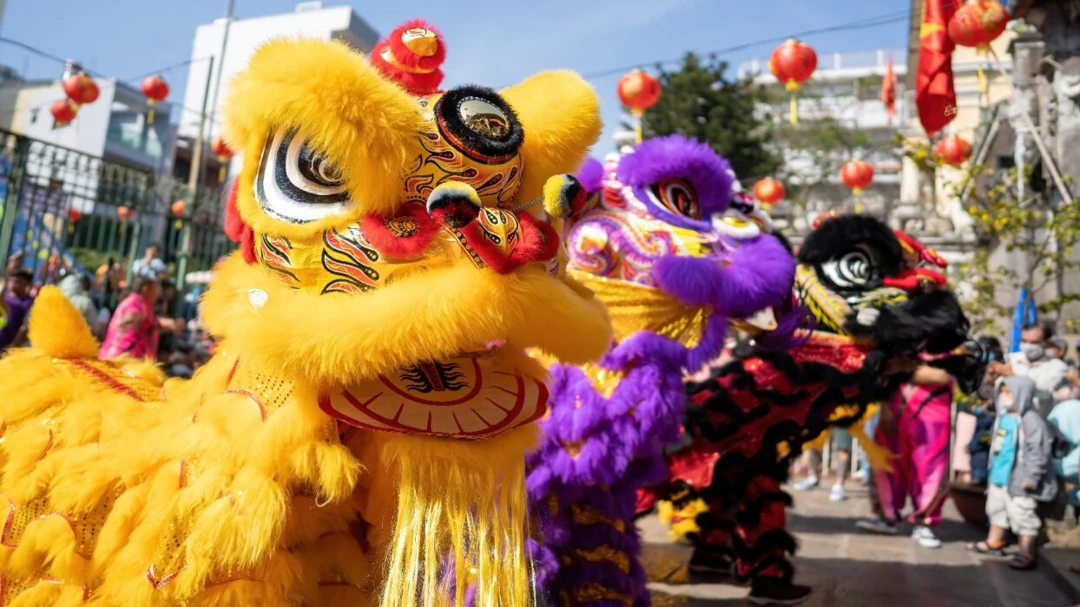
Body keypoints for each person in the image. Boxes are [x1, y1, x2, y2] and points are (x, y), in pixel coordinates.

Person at [856, 364, 954, 548]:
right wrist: (884, 407)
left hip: (933, 415)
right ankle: (885, 517)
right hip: (895, 411)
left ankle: (924, 523)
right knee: (886, 464)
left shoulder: (950, 345)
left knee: (932, 471)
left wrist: (898, 371)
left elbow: (942, 375)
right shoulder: (901, 341)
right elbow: (883, 371)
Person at [967, 376, 1058, 570]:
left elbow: (1038, 451)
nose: (1004, 395)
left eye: (1009, 391)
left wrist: (1031, 477)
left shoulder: (1030, 420)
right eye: (1002, 391)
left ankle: (1026, 552)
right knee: (996, 509)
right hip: (999, 476)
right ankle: (994, 542)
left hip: (1019, 479)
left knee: (1022, 515)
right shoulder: (1003, 416)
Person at [99, 277, 184, 361]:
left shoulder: (140, 304)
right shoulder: (137, 303)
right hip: (122, 360)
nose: (157, 294)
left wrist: (173, 324)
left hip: (119, 359)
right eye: (155, 289)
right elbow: (132, 314)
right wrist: (131, 318)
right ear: (145, 289)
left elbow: (155, 322)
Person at [993, 323, 1069, 406]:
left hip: (1035, 417)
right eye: (1024, 341)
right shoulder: (1011, 359)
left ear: (1046, 343)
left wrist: (1012, 377)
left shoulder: (1058, 367)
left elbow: (1042, 394)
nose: (1027, 345)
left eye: (1033, 342)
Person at [0, 268, 34, 352]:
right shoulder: (3, 295)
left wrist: (13, 346)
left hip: (6, 348)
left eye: (18, 281)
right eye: (12, 280)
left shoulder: (28, 303)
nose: (13, 283)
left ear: (27, 285)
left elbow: (24, 327)